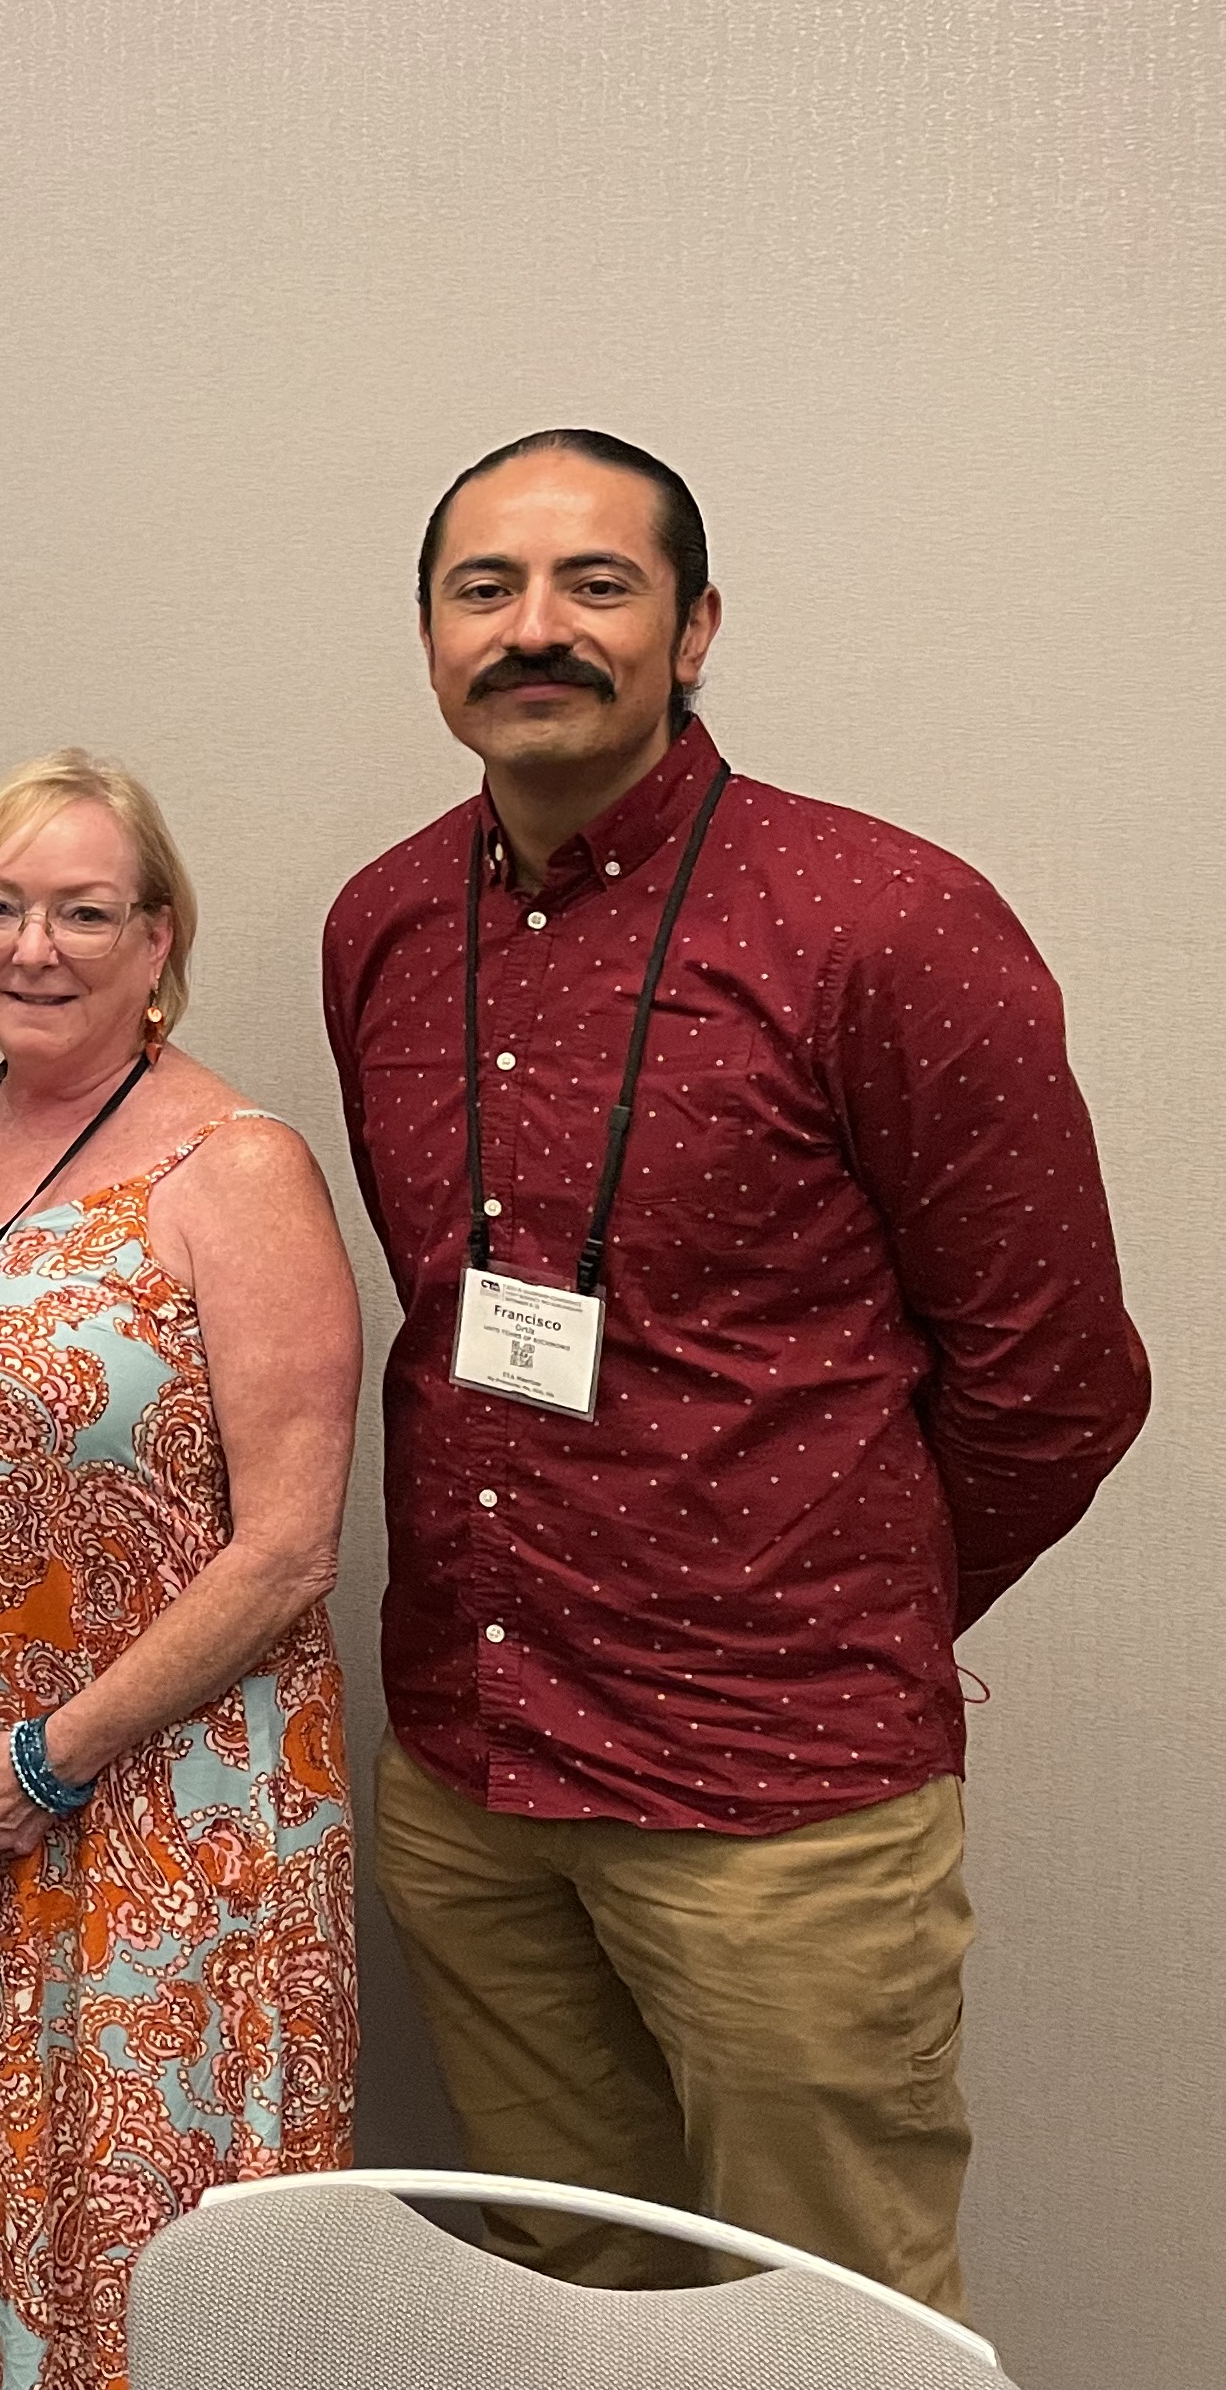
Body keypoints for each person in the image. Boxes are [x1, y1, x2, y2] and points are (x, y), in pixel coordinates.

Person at [323, 429, 1147, 2316]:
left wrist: (827, 1601)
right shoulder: (378, 924)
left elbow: (1059, 1379)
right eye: (485, 588)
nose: (537, 631)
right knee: (556, 2288)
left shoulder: (886, 924)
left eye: (595, 585)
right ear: (433, 637)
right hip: (477, 1773)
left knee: (828, 2320)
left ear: (695, 630)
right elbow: (448, 1303)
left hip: (780, 1802)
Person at [0, 754, 357, 2389]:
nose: (34, 948)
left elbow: (290, 1549)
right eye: (0, 907)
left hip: (161, 1814)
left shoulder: (234, 1168)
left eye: (84, 913)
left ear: (159, 940)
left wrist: (52, 1755)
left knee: (126, 2251)